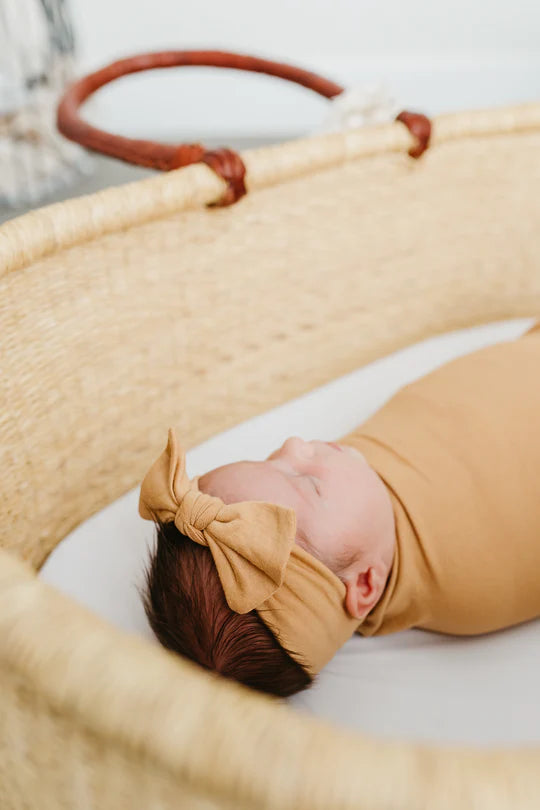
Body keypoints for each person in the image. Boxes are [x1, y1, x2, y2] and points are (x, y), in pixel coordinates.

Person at [139, 320, 540, 697]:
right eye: (307, 482)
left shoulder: (354, 492)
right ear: (365, 585)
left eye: (272, 460)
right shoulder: (470, 585)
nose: (296, 445)